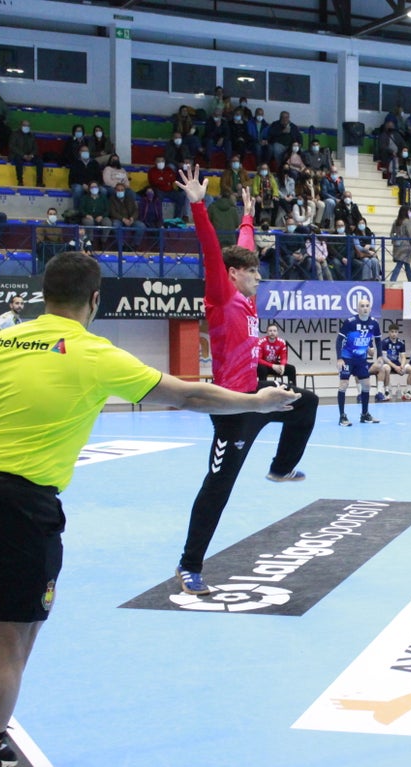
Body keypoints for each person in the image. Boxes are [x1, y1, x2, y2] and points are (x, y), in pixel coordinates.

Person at [0, 251, 300, 767]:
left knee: (20, 626)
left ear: (44, 294)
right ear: (94, 300)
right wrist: (257, 403)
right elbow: (188, 396)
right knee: (11, 639)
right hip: (22, 503)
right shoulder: (91, 352)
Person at [175, 169, 320, 596]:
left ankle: (279, 469)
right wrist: (199, 205)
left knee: (306, 403)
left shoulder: (246, 293)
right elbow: (211, 252)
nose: (259, 277)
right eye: (252, 273)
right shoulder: (221, 294)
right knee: (218, 487)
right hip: (231, 406)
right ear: (234, 274)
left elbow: (242, 247)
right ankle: (189, 566)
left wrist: (247, 218)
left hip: (261, 393)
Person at [336, 297, 383, 426]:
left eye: (367, 306)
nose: (365, 308)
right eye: (362, 306)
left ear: (370, 308)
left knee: (367, 384)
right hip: (347, 358)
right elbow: (339, 340)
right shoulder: (350, 322)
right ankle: (342, 416)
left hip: (361, 360)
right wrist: (339, 358)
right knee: (343, 385)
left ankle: (365, 414)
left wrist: (379, 356)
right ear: (357, 308)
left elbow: (378, 340)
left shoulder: (374, 323)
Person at [375, 324, 411, 401]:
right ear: (389, 332)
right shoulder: (384, 342)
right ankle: (387, 391)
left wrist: (402, 365)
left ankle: (407, 391)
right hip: (388, 363)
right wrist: (395, 367)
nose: (394, 334)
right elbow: (384, 358)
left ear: (398, 333)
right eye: (392, 332)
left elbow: (403, 357)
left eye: (396, 332)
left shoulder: (401, 343)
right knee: (386, 368)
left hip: (397, 364)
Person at [256, 321, 296, 387]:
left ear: (277, 333)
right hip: (264, 365)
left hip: (275, 365)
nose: (272, 333)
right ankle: (262, 390)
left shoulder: (281, 342)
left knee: (291, 368)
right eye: (270, 331)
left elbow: (283, 357)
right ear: (267, 332)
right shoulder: (261, 342)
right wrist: (272, 366)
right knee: (262, 369)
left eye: (274, 331)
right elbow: (258, 359)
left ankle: (292, 389)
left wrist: (282, 365)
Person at [8, 119, 44, 187]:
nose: (26, 127)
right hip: (18, 154)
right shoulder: (15, 134)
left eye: (28, 126)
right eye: (25, 125)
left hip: (30, 155)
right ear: (21, 126)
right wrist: (23, 155)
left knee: (39, 161)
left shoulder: (32, 135)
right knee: (18, 160)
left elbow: (35, 148)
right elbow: (12, 146)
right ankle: (20, 181)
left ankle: (39, 182)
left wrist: (31, 155)